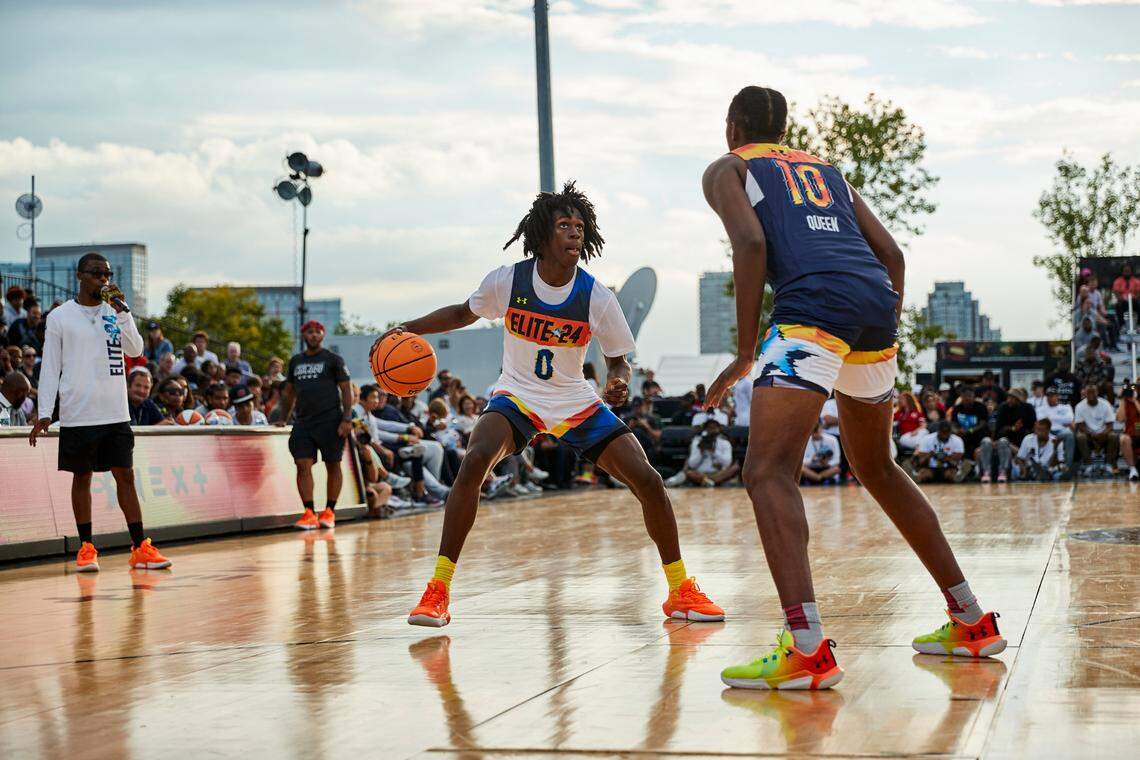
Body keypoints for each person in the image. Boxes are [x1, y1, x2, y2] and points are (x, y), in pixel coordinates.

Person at [701, 86, 1003, 691]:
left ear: (733, 125)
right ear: (782, 128)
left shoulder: (728, 167)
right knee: (877, 466)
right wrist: (880, 326)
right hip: (873, 305)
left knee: (767, 472)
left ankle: (807, 648)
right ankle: (970, 620)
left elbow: (753, 243)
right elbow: (891, 253)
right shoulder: (825, 169)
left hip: (813, 308)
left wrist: (743, 351)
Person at [383, 181, 724, 628]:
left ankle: (680, 589)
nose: (574, 233)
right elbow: (461, 314)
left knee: (649, 479)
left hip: (574, 401)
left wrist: (617, 384)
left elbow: (619, 362)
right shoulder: (509, 280)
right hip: (518, 396)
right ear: (543, 235)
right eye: (564, 225)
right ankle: (438, 591)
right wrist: (406, 328)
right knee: (475, 460)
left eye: (580, 226)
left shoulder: (597, 297)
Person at [28, 252, 171, 571]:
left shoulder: (116, 311)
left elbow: (136, 351)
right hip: (79, 411)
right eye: (96, 273)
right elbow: (50, 367)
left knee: (126, 476)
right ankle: (87, 548)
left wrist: (124, 313)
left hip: (115, 411)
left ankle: (140, 548)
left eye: (107, 274)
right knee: (82, 476)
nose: (103, 279)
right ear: (80, 275)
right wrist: (45, 412)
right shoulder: (61, 316)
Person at [274, 320, 353, 530]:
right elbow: (289, 392)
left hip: (331, 420)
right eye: (310, 332)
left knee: (333, 465)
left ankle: (329, 511)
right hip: (303, 421)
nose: (314, 335)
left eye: (318, 332)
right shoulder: (296, 361)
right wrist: (283, 417)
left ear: (323, 335)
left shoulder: (333, 359)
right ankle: (309, 512)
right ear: (304, 335)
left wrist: (347, 418)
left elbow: (346, 389)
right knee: (302, 464)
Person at [978, 388, 1037, 483]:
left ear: (1017, 399)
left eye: (1012, 398)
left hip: (1024, 440)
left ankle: (1020, 469)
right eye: (1008, 397)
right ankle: (991, 472)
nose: (1009, 400)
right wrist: (1012, 428)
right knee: (998, 441)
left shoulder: (1028, 408)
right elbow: (999, 428)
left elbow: (1032, 425)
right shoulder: (1003, 407)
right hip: (1006, 439)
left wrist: (1021, 428)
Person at [672, 417, 739, 487]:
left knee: (735, 468)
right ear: (705, 430)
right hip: (700, 474)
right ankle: (711, 482)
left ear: (719, 429)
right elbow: (692, 464)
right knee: (689, 473)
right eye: (709, 428)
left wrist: (714, 452)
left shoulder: (725, 442)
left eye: (714, 427)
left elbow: (727, 463)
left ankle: (708, 482)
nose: (712, 430)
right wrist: (701, 452)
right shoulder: (697, 442)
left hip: (719, 473)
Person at [1074, 384, 1119, 475]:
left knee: (1113, 436)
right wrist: (1091, 434)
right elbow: (1080, 426)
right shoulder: (1079, 406)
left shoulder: (1105, 404)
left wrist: (1103, 434)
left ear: (1097, 393)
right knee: (1080, 436)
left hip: (1104, 434)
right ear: (1085, 393)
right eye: (1088, 392)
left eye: (1093, 392)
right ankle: (1088, 465)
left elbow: (1110, 425)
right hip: (1088, 435)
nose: (1090, 394)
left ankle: (1108, 465)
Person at [1036, 387, 1076, 476]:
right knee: (1042, 434)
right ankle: (1044, 466)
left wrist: (1051, 419)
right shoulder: (1040, 409)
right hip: (1047, 432)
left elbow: (1069, 419)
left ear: (1058, 396)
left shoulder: (1066, 407)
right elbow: (1041, 421)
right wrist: (1062, 420)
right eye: (1049, 396)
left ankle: (1067, 467)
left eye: (1053, 396)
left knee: (1069, 435)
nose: (1051, 398)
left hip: (1062, 432)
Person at [1117, 384, 1140, 482]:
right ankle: (1133, 470)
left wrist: (1135, 401)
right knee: (1123, 439)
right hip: (1132, 433)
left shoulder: (1136, 400)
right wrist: (1122, 400)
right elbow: (1120, 419)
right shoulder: (1126, 402)